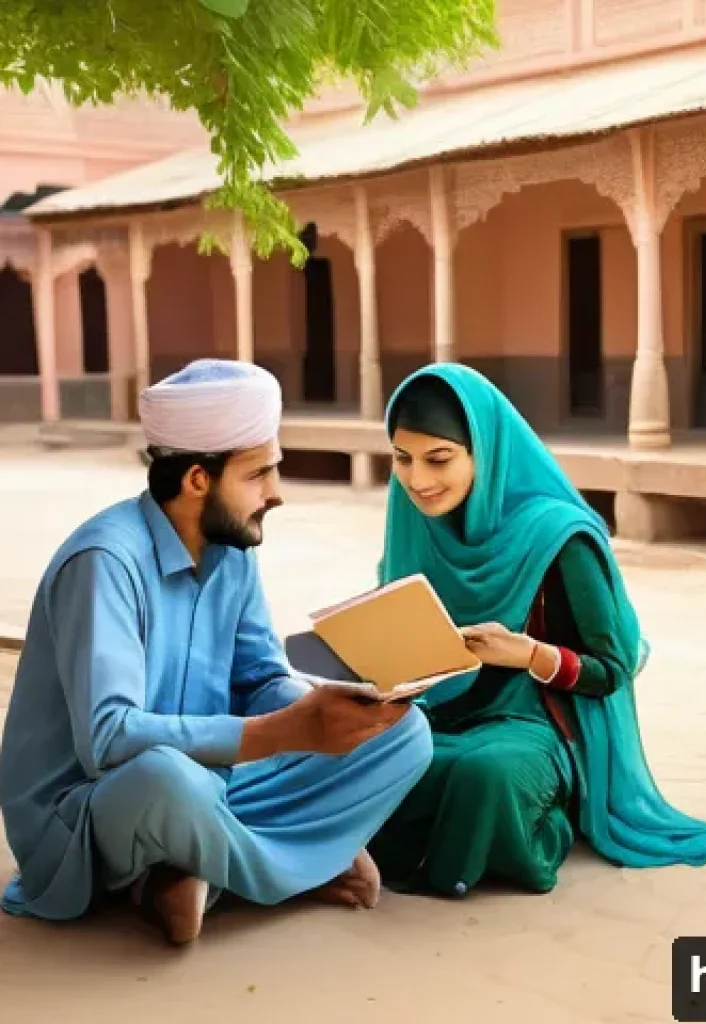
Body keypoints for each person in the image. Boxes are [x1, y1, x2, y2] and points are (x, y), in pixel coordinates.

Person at [0, 359, 431, 944]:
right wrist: (282, 733)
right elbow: (107, 741)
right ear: (198, 479)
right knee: (168, 780)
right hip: (85, 811)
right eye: (259, 474)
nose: (276, 494)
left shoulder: (232, 549)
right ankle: (293, 870)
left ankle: (194, 875)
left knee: (407, 735)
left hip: (212, 783)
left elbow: (258, 680)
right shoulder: (105, 562)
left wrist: (328, 705)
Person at [365, 364, 706, 898]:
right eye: (402, 460)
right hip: (436, 711)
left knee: (486, 777)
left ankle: (549, 822)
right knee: (356, 755)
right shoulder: (412, 525)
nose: (418, 481)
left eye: (440, 458)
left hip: (534, 723)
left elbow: (610, 669)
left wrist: (526, 653)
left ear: (485, 450)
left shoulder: (560, 537)